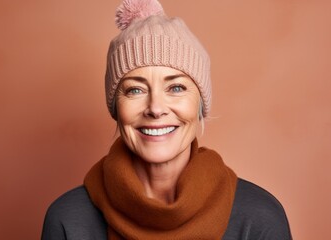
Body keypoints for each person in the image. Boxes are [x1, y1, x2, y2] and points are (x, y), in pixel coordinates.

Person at [41, 0, 292, 239]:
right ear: (116, 106)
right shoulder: (68, 219)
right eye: (135, 90)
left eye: (176, 88)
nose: (156, 108)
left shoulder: (259, 218)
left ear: (200, 105)